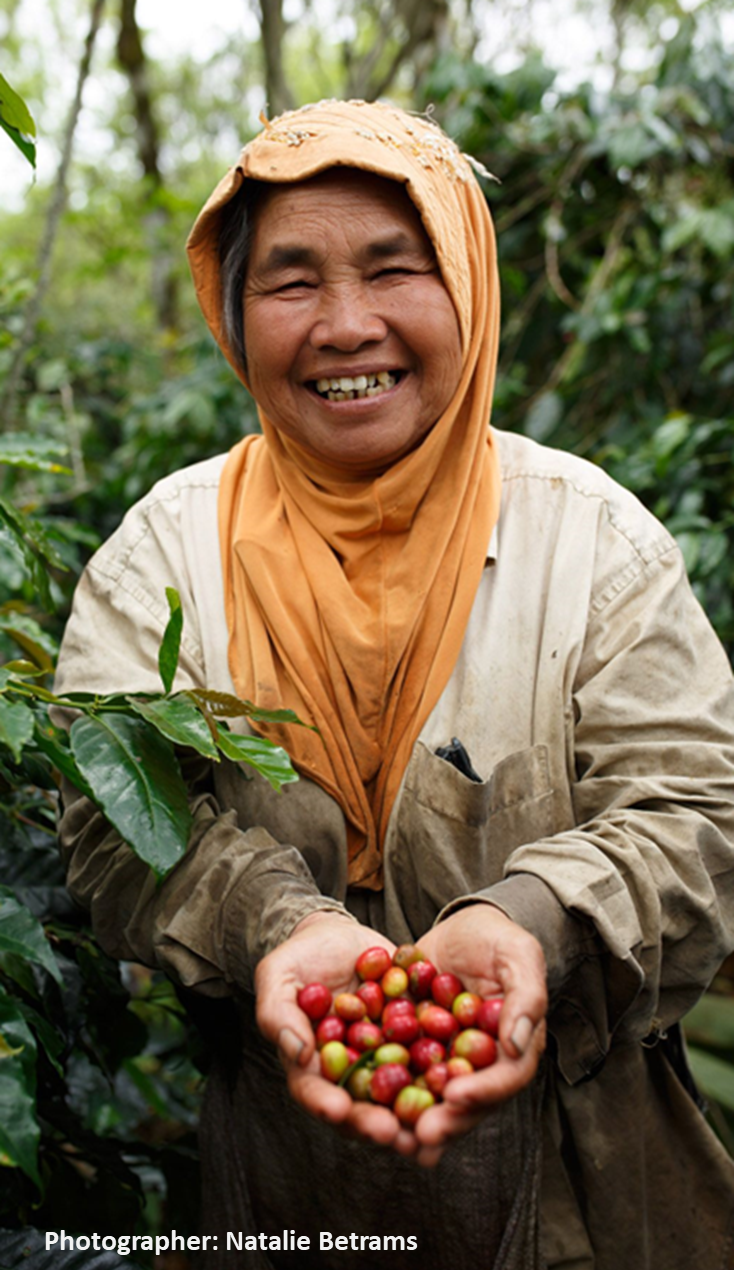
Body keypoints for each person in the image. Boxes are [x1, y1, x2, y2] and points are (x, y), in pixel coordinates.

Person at [55, 100, 734, 1269]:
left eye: (392, 269)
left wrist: (532, 920)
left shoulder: (595, 547)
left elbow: (699, 814)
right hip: (287, 1188)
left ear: (465, 285)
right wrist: (273, 922)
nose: (345, 325)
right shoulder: (160, 559)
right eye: (290, 282)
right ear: (233, 314)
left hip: (594, 1195)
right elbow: (111, 830)